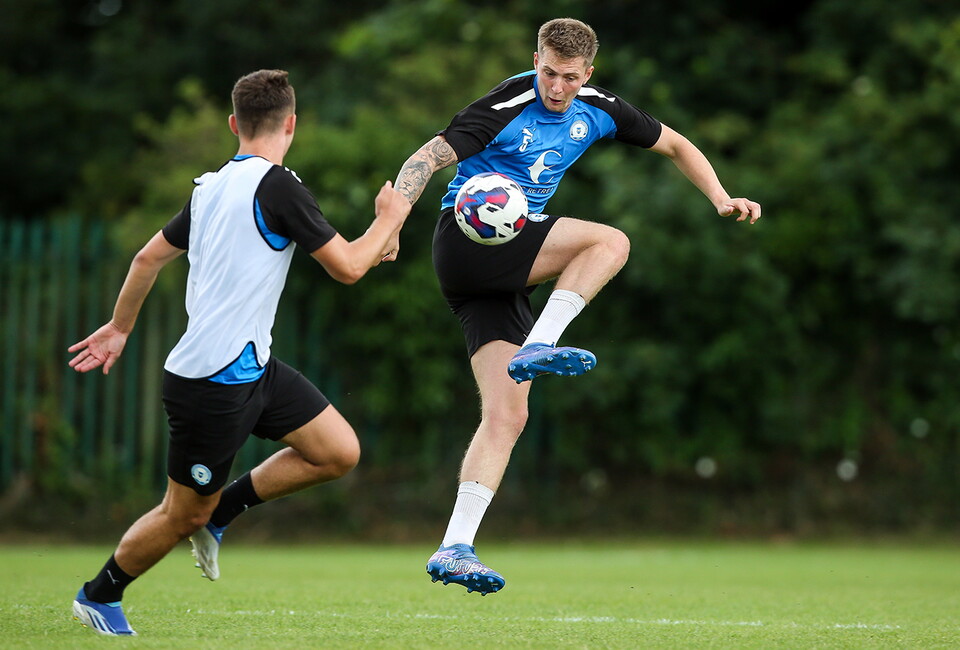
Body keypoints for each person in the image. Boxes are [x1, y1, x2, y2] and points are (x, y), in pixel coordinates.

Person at [389, 18, 761, 595]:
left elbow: (674, 144)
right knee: (609, 241)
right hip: (466, 243)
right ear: (534, 59)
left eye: (568, 77)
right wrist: (391, 226)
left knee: (508, 416)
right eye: (546, 73)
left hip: (496, 277)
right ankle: (544, 341)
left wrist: (720, 197)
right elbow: (426, 158)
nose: (555, 87)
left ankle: (454, 547)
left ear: (588, 74)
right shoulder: (507, 101)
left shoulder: (601, 107)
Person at [68, 69, 410, 636]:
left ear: (234, 124)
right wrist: (389, 220)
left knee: (337, 451)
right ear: (291, 125)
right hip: (211, 382)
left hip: (254, 365)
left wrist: (120, 327)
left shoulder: (208, 189)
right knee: (181, 514)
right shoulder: (278, 186)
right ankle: (98, 595)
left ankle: (223, 511)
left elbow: (145, 260)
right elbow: (350, 266)